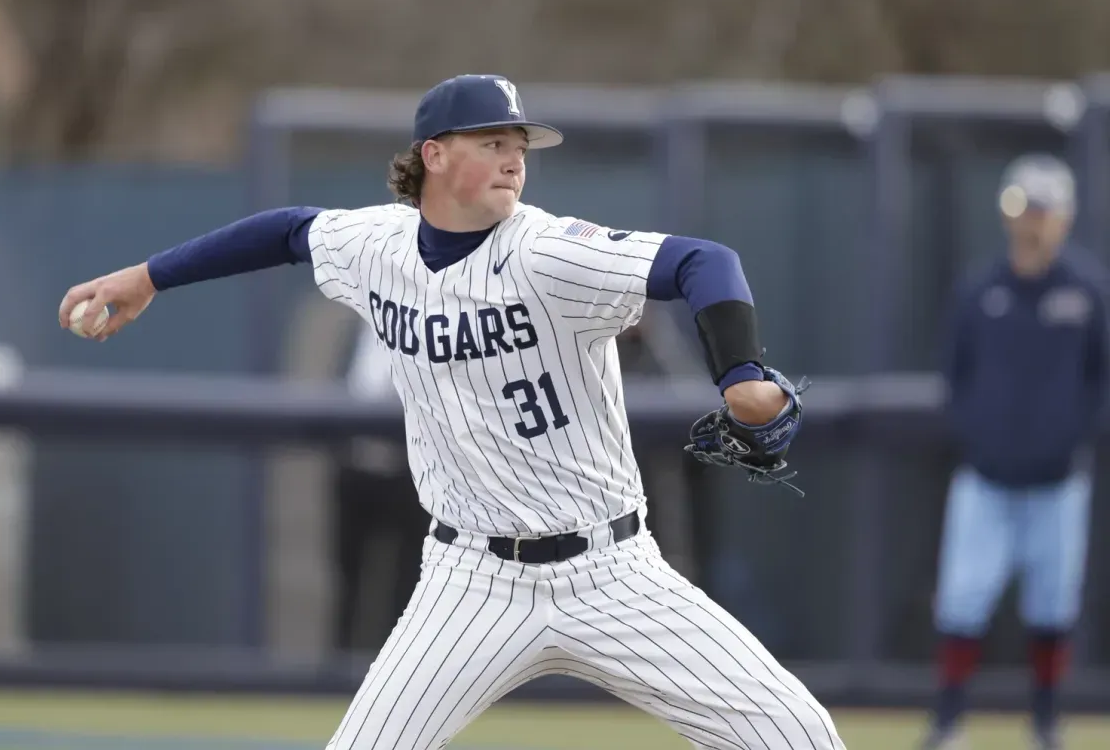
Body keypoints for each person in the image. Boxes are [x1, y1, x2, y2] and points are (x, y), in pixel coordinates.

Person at [59, 74, 843, 749]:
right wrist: (149, 276)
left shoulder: (551, 253)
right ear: (434, 154)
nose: (515, 158)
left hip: (612, 572)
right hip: (470, 582)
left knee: (800, 737)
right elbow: (289, 231)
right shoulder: (379, 246)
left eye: (521, 145)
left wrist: (739, 371)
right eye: (492, 141)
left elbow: (705, 261)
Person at [923, 154, 1109, 750]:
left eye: (1044, 209)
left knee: (1053, 606)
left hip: (1058, 483)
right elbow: (955, 376)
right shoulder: (981, 290)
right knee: (962, 600)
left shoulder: (1087, 292)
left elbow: (1098, 379)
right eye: (1023, 207)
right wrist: (979, 434)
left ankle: (1047, 725)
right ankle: (949, 724)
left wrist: (1070, 438)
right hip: (986, 481)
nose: (1032, 222)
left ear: (1065, 216)